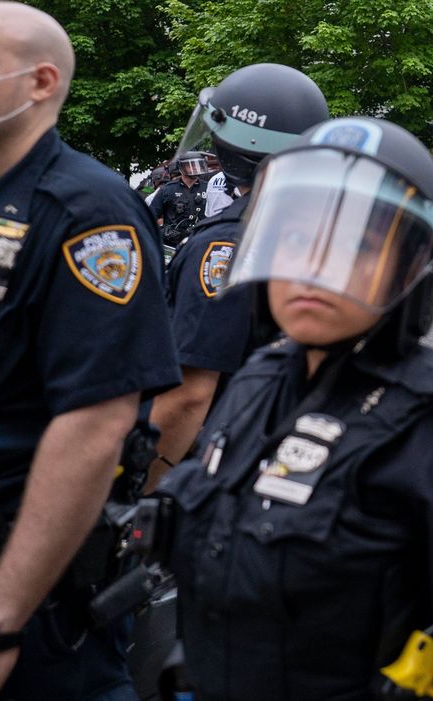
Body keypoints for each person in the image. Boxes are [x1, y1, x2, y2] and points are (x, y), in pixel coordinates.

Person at [158, 116, 433, 701]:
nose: (310, 269)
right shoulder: (257, 381)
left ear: (412, 265)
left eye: (352, 247)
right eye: (291, 239)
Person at [0, 4, 180, 697]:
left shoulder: (87, 213)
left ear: (40, 82)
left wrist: (4, 620)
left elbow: (97, 422)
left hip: (32, 585)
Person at [151, 63, 330, 490]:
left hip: (231, 457)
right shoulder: (324, 229)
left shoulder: (227, 244)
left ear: (232, 148)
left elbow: (191, 393)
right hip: (299, 451)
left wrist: (152, 494)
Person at [150, 150, 211, 247]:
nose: (195, 168)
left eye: (197, 165)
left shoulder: (208, 188)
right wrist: (163, 232)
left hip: (200, 242)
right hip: (172, 244)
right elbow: (151, 216)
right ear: (181, 167)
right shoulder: (167, 189)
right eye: (191, 165)